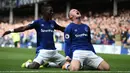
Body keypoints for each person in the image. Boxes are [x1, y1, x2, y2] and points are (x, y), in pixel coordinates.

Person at [2, 4, 66, 69]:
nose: (52, 13)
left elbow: (62, 28)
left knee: (68, 64)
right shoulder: (38, 22)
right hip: (43, 51)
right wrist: (10, 31)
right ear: (44, 12)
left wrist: (71, 29)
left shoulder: (53, 23)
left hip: (54, 52)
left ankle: (48, 64)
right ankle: (27, 64)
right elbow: (23, 28)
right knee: (34, 66)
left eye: (52, 11)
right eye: (50, 11)